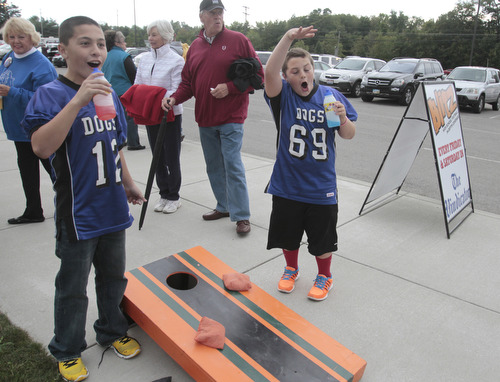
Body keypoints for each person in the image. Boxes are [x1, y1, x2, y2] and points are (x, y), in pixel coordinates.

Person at [21, 16, 146, 381]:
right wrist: (78, 99)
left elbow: (114, 145)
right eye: (85, 43)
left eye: (100, 44)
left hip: (112, 207)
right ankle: (67, 348)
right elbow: (42, 147)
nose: (96, 51)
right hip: (77, 212)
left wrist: (127, 182)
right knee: (72, 287)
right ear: (63, 50)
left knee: (112, 279)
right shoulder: (52, 93)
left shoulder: (107, 92)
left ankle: (111, 331)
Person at [264, 26, 357, 301]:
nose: (302, 75)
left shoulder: (330, 96)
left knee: (322, 240)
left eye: (306, 68)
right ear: (286, 76)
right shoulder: (283, 97)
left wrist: (343, 118)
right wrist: (289, 38)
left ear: (313, 69)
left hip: (321, 186)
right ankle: (291, 269)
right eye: (295, 71)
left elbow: (348, 134)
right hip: (287, 184)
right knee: (287, 235)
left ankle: (324, 275)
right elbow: (269, 72)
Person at [163, 0, 264, 235]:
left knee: (232, 164)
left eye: (220, 13)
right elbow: (188, 83)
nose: (218, 17)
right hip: (205, 117)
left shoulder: (238, 40)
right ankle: (224, 206)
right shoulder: (196, 47)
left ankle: (241, 216)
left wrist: (230, 87)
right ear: (202, 17)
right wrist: (174, 98)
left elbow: (257, 74)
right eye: (213, 13)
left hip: (232, 116)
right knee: (214, 166)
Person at [0, 17, 57, 224]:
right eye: (11, 37)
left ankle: (75, 205)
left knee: (55, 171)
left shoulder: (41, 65)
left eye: (21, 37)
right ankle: (33, 210)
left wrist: (12, 92)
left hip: (38, 130)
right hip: (17, 128)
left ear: (32, 38)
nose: (16, 41)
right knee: (27, 171)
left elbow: (49, 99)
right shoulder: (9, 58)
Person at [135, 20, 184, 214]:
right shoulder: (145, 59)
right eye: (149, 34)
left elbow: (176, 88)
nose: (150, 38)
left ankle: (174, 196)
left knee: (171, 156)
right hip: (150, 114)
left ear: (165, 36)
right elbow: (138, 83)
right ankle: (163, 193)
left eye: (154, 34)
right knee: (157, 156)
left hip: (169, 115)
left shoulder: (176, 60)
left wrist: (163, 99)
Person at [102, 29, 145, 151]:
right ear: (118, 42)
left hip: (109, 92)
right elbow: (133, 76)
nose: (125, 44)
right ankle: (133, 142)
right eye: (124, 41)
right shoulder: (124, 57)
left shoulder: (105, 56)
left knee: (115, 118)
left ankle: (118, 141)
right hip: (125, 92)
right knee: (130, 118)